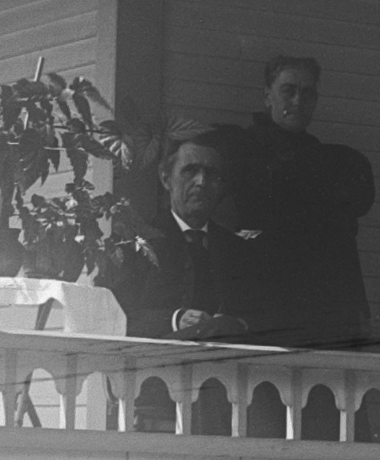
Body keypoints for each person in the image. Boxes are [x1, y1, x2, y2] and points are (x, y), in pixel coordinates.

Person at [225, 54, 375, 348]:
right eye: (288, 91)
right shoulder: (243, 150)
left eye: (307, 93)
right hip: (264, 298)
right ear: (267, 96)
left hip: (318, 302)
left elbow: (341, 239)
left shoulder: (326, 161)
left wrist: (357, 306)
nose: (297, 100)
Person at [101, 130, 271, 341]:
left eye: (212, 174)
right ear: (166, 179)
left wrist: (237, 323)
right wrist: (175, 320)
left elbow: (263, 314)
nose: (201, 182)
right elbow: (110, 314)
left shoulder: (238, 250)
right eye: (190, 171)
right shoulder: (132, 244)